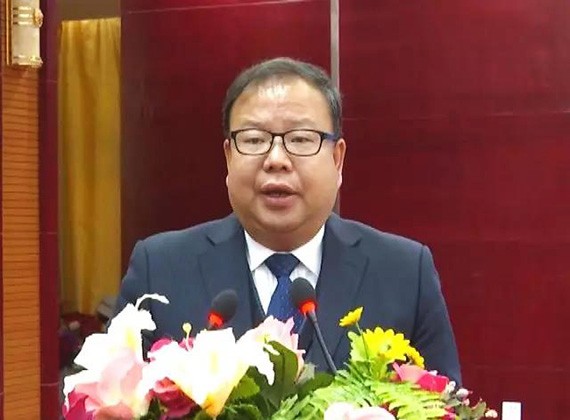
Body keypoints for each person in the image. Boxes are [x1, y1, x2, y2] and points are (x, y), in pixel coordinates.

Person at [114, 57, 461, 383]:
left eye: (300, 139)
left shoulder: (404, 274)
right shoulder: (160, 269)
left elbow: (443, 407)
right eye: (254, 140)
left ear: (337, 160)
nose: (276, 159)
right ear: (228, 157)